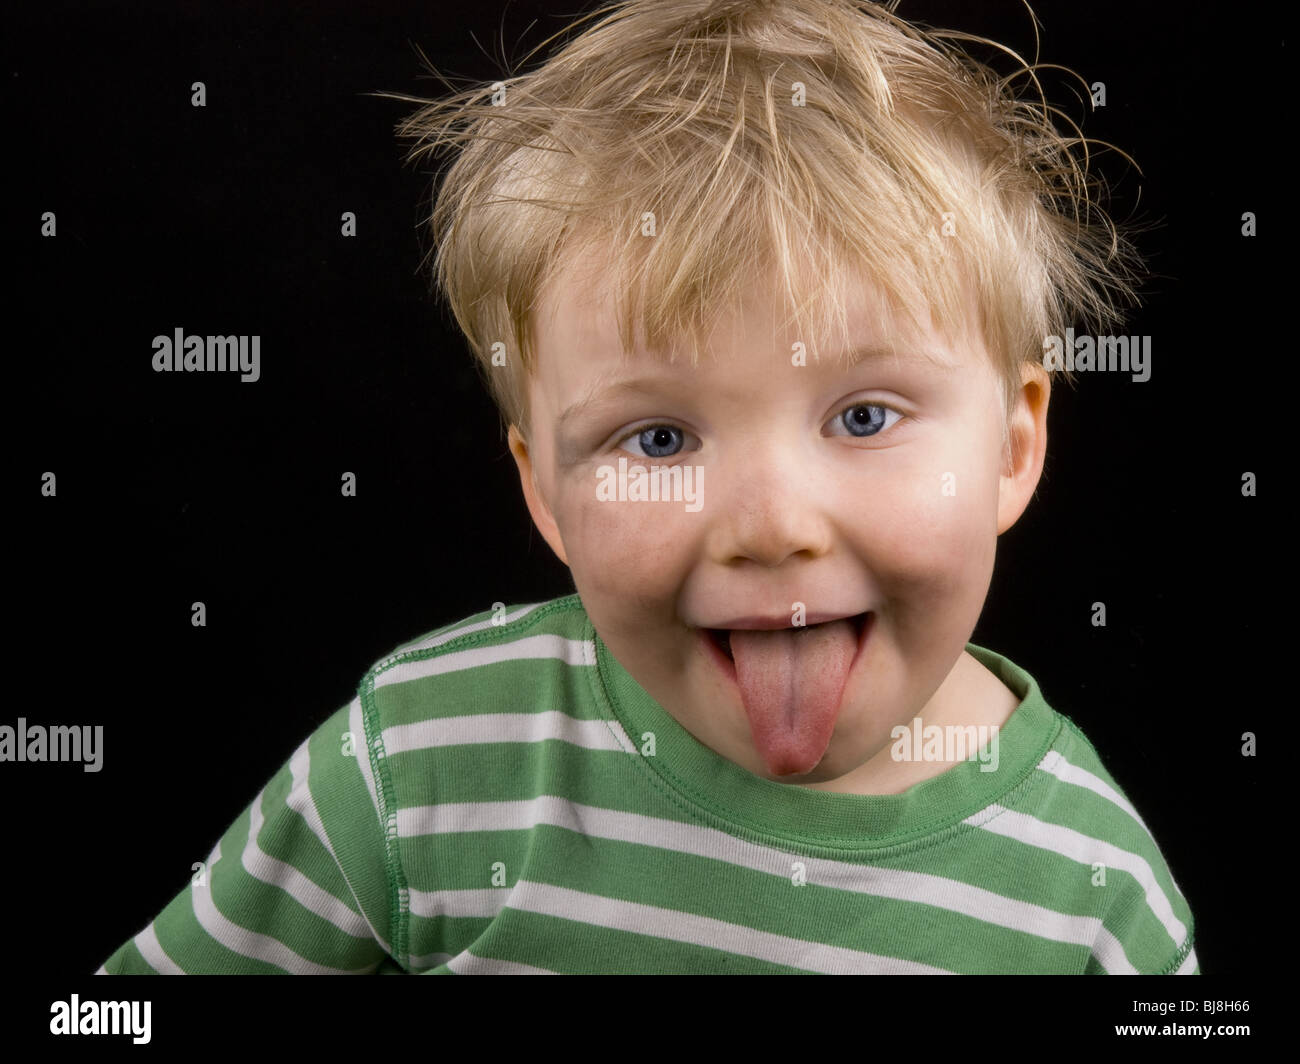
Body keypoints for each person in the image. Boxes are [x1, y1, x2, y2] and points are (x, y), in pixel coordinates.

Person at [99, 0, 1196, 974]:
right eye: (660, 436)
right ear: (546, 492)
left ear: (1011, 447)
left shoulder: (1094, 897)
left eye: (864, 416)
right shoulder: (417, 760)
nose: (770, 527)